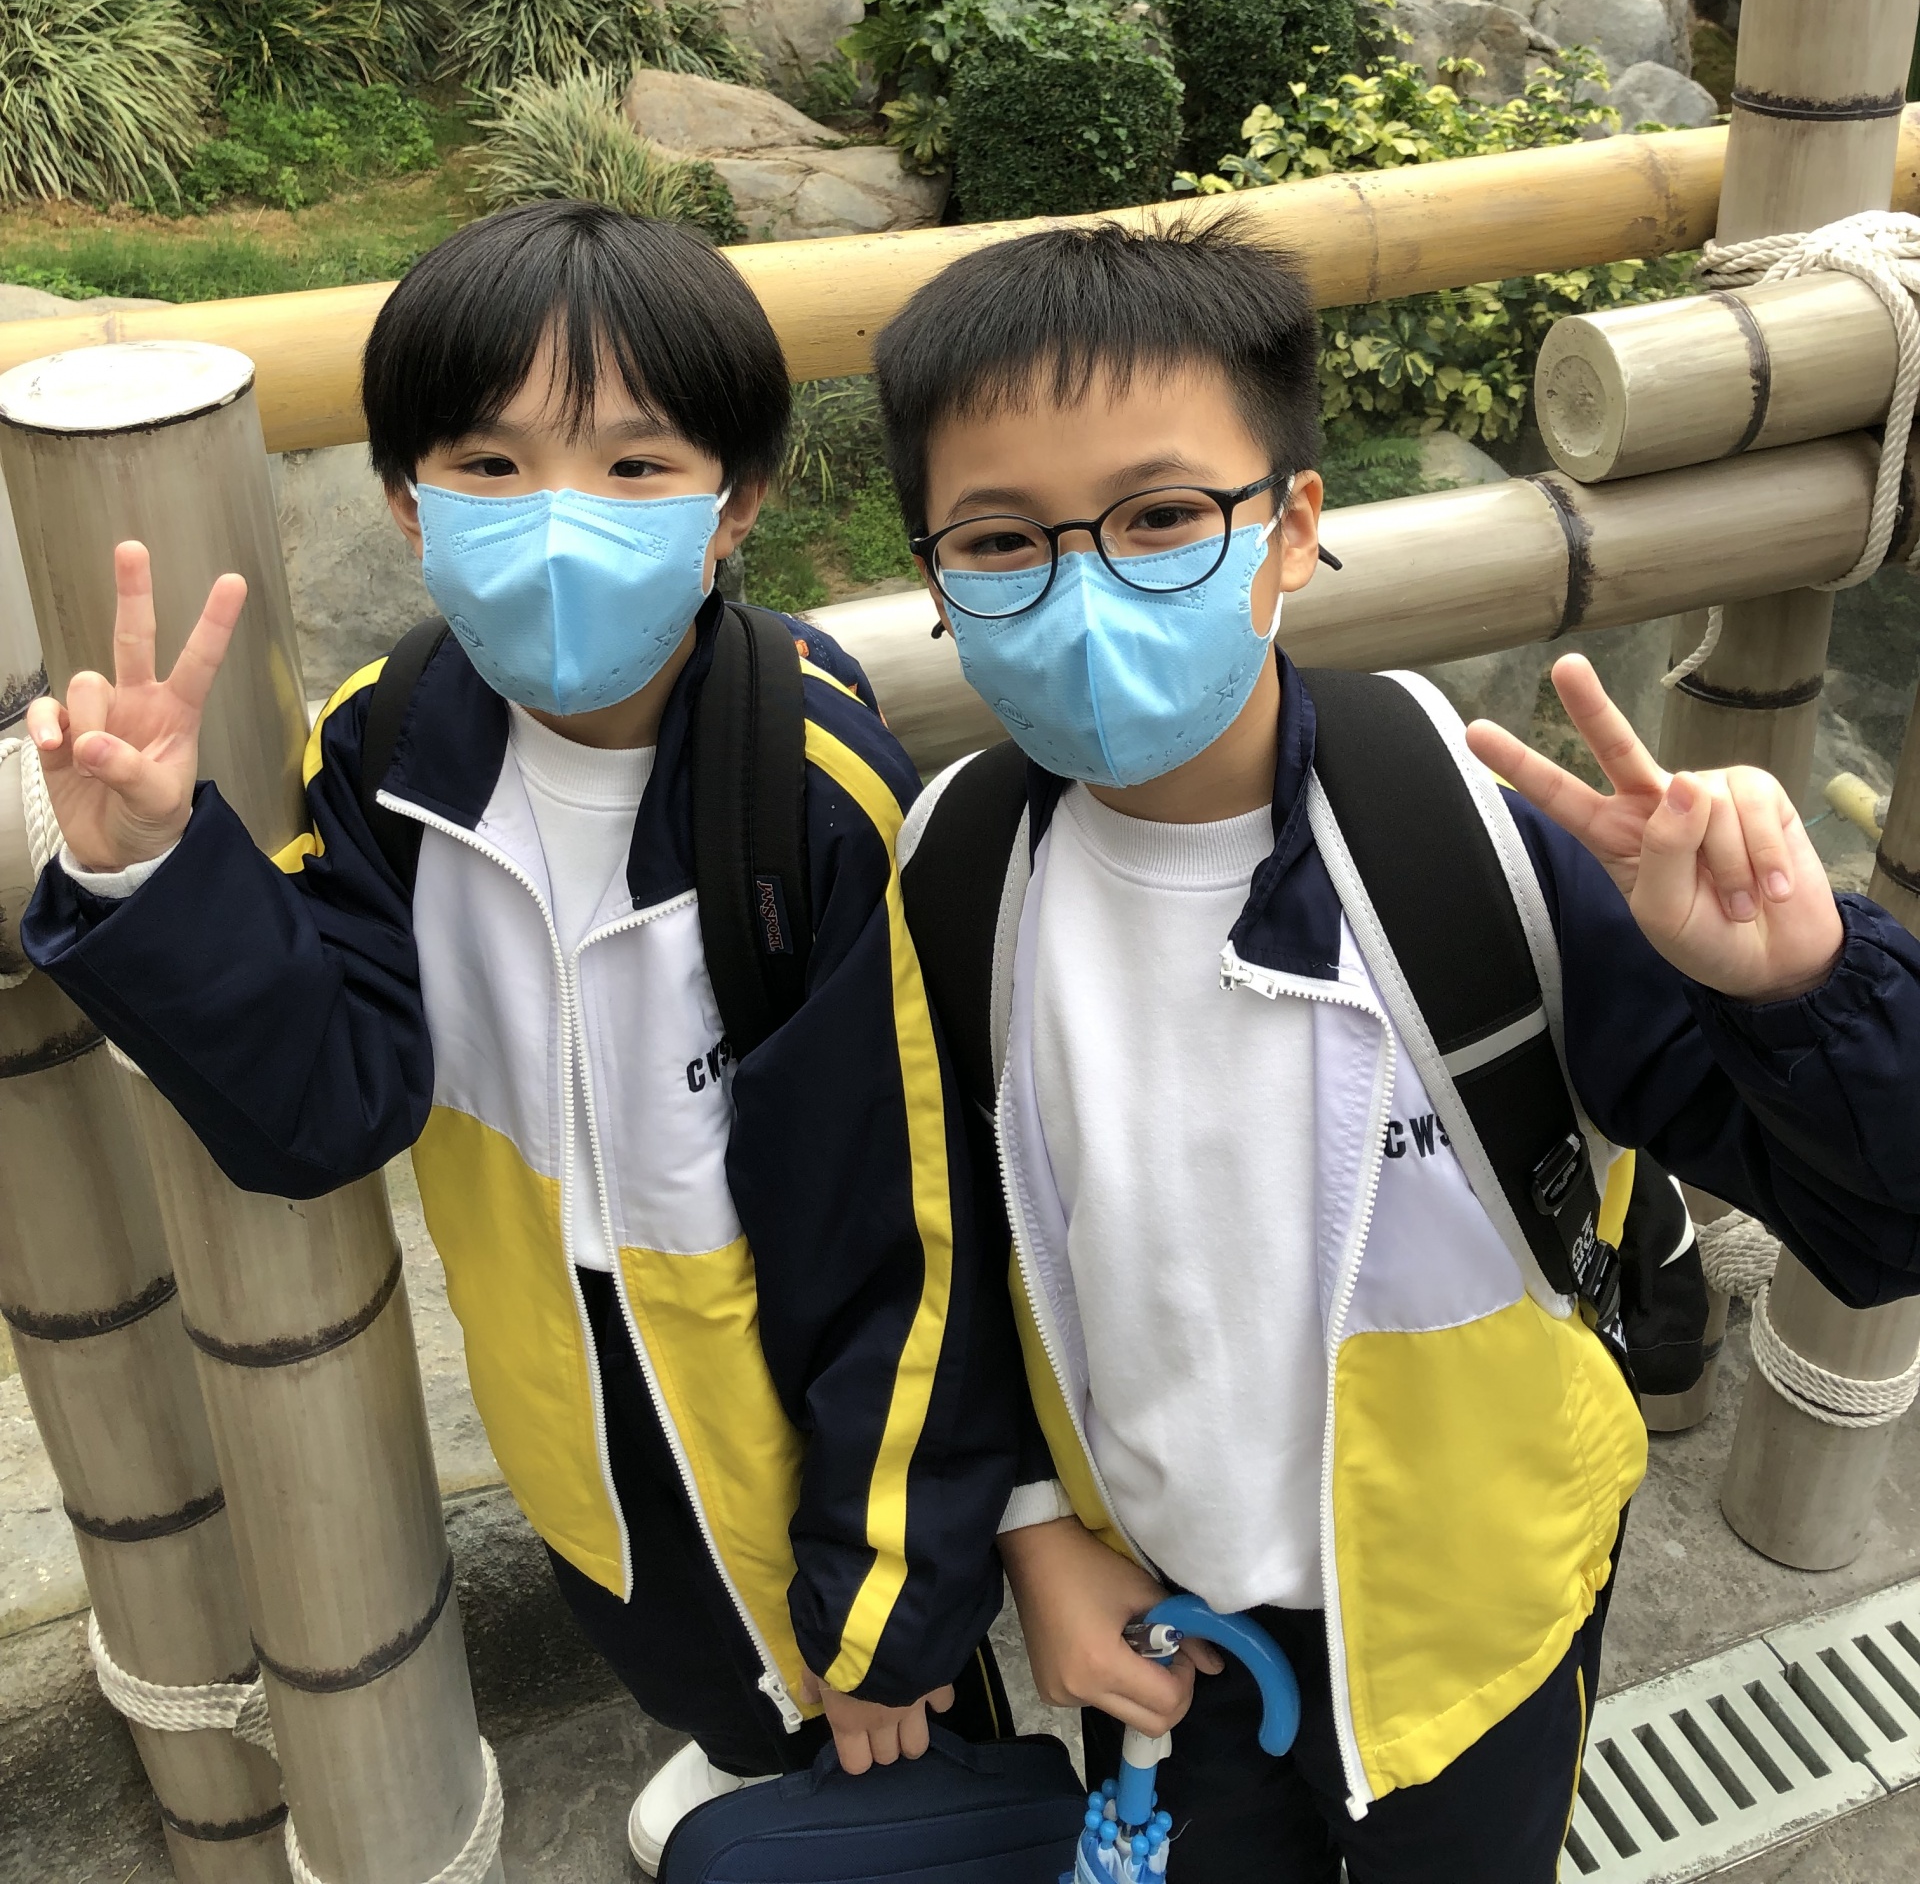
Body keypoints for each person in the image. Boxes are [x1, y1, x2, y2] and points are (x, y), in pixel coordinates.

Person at [870, 214, 1920, 1884]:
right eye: (1001, 540)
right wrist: (1032, 1535)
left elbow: (1886, 1217)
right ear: (937, 581)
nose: (1084, 585)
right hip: (1169, 1635)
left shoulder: (1467, 843)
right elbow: (936, 1259)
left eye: (1160, 515)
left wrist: (1799, 989)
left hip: (1486, 1621)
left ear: (1292, 526)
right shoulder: (955, 874)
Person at [22, 202, 1018, 1875]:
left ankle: (859, 1780)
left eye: (634, 466)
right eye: (490, 464)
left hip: (790, 1393)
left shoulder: (813, 800)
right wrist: (151, 870)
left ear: (734, 501)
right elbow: (328, 1104)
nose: (560, 517)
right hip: (556, 1362)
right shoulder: (385, 752)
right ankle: (743, 1757)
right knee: (661, 1624)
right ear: (406, 500)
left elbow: (911, 1241)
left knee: (880, 1718)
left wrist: (894, 1615)